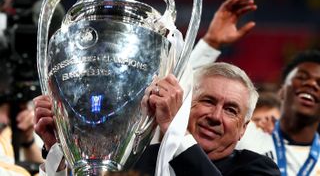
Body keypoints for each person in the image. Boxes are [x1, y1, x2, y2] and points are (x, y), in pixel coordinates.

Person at [34, 62, 280, 175]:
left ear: (243, 129)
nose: (215, 116)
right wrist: (58, 147)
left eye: (231, 110)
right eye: (207, 101)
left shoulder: (258, 169)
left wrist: (175, 129)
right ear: (185, 104)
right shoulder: (136, 161)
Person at [236, 50, 320, 176]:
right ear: (281, 90)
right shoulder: (245, 135)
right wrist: (210, 45)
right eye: (302, 77)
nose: (311, 84)